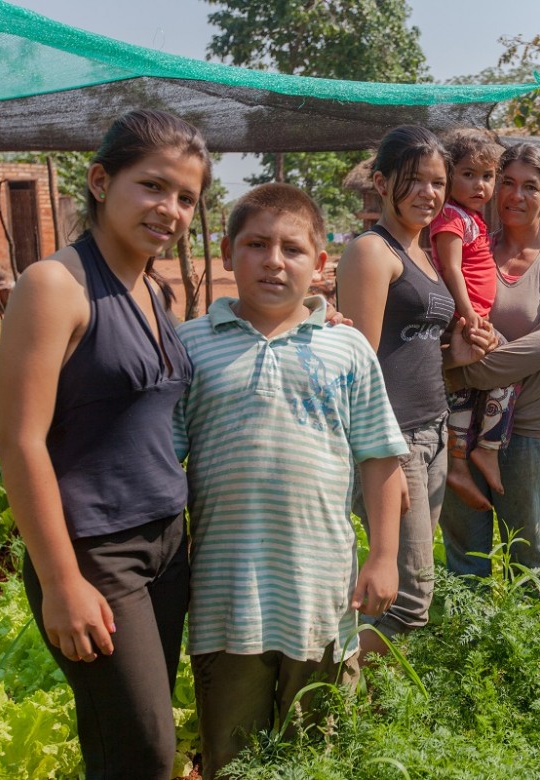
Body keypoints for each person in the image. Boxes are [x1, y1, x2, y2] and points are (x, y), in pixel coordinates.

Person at [0, 109, 212, 779]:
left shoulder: (155, 289)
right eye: (152, 186)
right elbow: (21, 443)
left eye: (185, 197)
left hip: (165, 543)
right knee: (146, 749)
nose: (169, 209)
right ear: (99, 180)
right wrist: (62, 581)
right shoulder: (55, 286)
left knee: (122, 742)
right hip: (97, 552)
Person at [173, 184, 406, 778]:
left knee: (318, 754)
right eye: (256, 244)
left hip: (322, 596)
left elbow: (381, 460)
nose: (274, 261)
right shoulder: (188, 346)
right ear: (227, 252)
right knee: (234, 757)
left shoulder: (347, 346)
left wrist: (383, 556)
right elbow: (161, 462)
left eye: (292, 249)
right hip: (227, 598)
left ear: (320, 263)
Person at [335, 125, 492, 659]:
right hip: (393, 439)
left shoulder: (422, 254)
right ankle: (351, 701)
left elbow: (411, 347)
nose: (430, 193)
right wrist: (381, 454)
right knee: (409, 594)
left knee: (405, 585)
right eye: (415, 181)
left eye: (438, 182)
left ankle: (370, 699)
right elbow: (359, 361)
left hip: (431, 428)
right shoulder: (371, 253)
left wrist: (460, 355)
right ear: (380, 182)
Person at [440, 142, 540, 579]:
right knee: (465, 560)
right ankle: (468, 647)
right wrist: (448, 357)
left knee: (528, 559)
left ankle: (526, 647)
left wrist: (460, 368)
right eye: (506, 183)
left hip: (527, 431)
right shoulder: (469, 246)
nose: (515, 196)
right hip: (458, 433)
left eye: (530, 187)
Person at [430, 128, 513, 511]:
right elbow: (450, 270)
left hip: (469, 317)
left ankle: (459, 462)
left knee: (462, 389)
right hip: (466, 316)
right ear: (449, 176)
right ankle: (489, 448)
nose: (479, 184)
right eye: (468, 174)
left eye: (487, 176)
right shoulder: (451, 216)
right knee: (509, 368)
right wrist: (470, 314)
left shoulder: (471, 218)